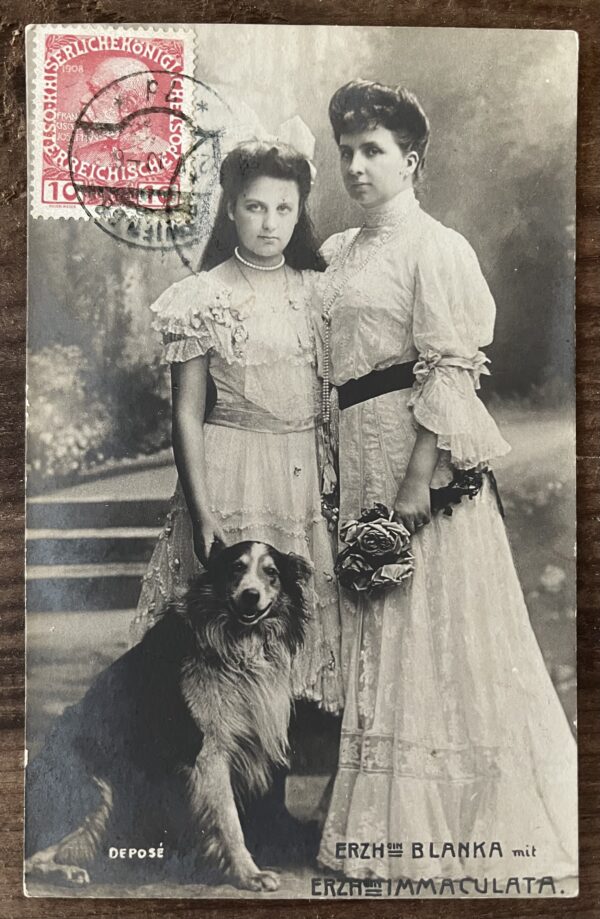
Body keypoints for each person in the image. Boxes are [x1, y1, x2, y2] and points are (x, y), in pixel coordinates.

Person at [316, 80, 577, 885]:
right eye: (347, 152)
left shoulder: (438, 247)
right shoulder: (332, 252)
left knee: (438, 620)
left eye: (374, 152)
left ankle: (457, 823)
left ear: (411, 160)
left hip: (414, 464)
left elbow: (447, 366)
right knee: (378, 625)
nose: (356, 167)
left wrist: (413, 485)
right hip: (355, 450)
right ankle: (377, 816)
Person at [132, 138, 344, 712]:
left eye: (284, 208)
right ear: (230, 208)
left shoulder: (317, 290)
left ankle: (267, 794)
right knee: (220, 636)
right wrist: (203, 513)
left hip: (297, 468)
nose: (269, 222)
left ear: (300, 213)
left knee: (282, 630)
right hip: (229, 466)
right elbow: (186, 412)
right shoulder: (202, 296)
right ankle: (214, 785)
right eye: (255, 207)